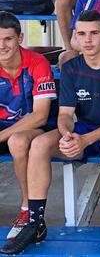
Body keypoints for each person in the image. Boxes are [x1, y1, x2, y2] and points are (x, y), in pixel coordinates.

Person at [0, 10, 100, 255]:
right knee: (41, 144)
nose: (88, 40)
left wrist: (85, 140)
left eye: (94, 33)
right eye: (81, 34)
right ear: (75, 37)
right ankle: (35, 222)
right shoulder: (72, 67)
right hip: (83, 128)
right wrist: (66, 134)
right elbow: (65, 114)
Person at [0, 12, 56, 241]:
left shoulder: (37, 62)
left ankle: (27, 209)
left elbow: (40, 116)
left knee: (18, 141)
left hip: (33, 129)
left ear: (20, 38)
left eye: (8, 39)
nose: (2, 45)